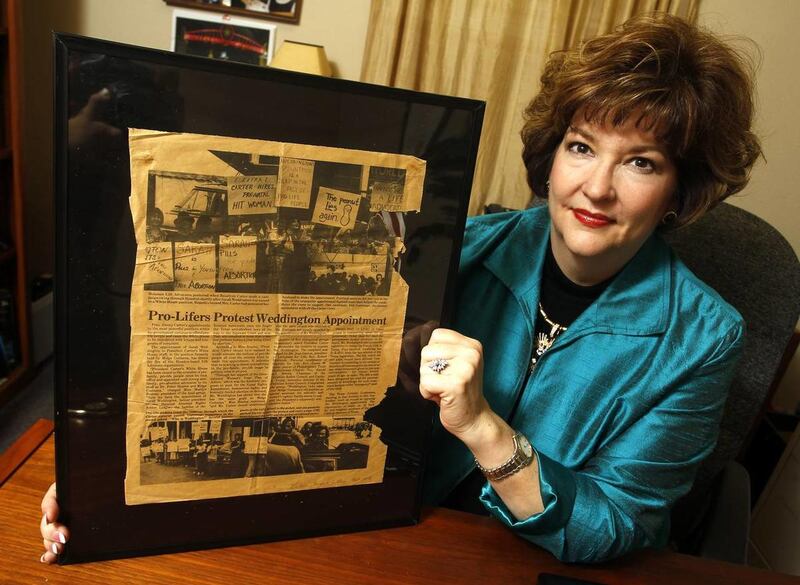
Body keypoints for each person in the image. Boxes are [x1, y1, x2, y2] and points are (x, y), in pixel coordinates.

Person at [39, 14, 761, 564]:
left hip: (533, 563)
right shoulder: (462, 248)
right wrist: (110, 479)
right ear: (552, 156)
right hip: (398, 534)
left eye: (640, 162)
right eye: (581, 147)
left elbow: (619, 526)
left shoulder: (703, 337)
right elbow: (280, 377)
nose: (595, 187)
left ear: (679, 191)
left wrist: (483, 427)